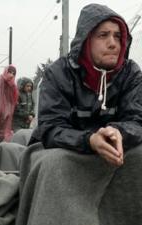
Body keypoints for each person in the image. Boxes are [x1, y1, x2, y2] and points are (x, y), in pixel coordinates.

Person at [17, 4, 142, 224]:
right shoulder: (58, 73)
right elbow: (50, 128)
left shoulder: (130, 73)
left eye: (118, 36)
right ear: (86, 40)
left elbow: (137, 119)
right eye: (103, 35)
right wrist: (89, 140)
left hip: (114, 147)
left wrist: (118, 132)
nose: (113, 43)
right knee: (54, 164)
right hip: (65, 148)